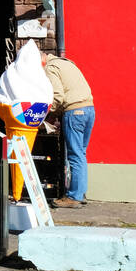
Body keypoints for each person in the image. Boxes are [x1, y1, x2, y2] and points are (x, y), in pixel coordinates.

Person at [42, 50, 94, 208]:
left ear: (41, 60)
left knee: (75, 155)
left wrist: (47, 115)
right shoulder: (67, 63)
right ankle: (80, 192)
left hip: (74, 112)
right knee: (81, 153)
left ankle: (74, 197)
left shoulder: (50, 68)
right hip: (89, 109)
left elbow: (57, 96)